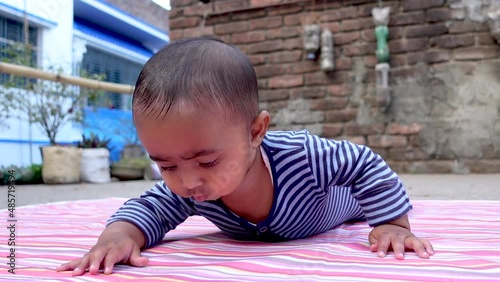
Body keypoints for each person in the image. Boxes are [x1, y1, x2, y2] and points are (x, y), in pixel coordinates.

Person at [57, 37, 434, 276]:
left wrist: (391, 223)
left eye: (207, 162)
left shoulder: (302, 156)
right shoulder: (191, 190)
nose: (188, 181)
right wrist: (118, 236)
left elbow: (364, 163)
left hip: (346, 204)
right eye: (166, 165)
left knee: (370, 200)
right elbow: (150, 209)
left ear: (256, 132)